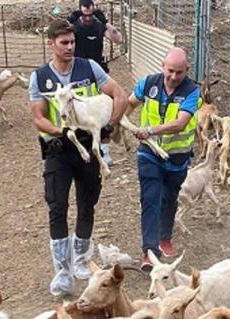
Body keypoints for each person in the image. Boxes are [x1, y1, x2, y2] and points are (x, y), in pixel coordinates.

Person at [29, 20, 127, 297]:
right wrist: (63, 130)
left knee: (87, 202)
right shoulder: (39, 78)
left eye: (72, 42)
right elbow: (37, 117)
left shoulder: (90, 68)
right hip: (59, 150)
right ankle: (62, 270)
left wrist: (111, 125)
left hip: (87, 149)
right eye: (64, 43)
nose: (71, 47)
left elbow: (118, 95)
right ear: (51, 44)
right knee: (57, 205)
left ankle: (82, 259)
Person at [129, 47, 200, 271]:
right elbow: (129, 103)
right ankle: (149, 252)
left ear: (187, 70)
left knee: (169, 198)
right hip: (149, 153)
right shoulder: (148, 84)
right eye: (170, 71)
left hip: (177, 158)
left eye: (179, 72)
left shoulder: (191, 92)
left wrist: (150, 130)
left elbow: (180, 123)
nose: (173, 77)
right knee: (150, 198)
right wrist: (117, 122)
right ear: (162, 66)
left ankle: (165, 237)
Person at [68, 0, 123, 165]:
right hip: (79, 75)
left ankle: (104, 150)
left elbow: (118, 39)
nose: (87, 18)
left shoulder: (99, 26)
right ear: (79, 12)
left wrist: (106, 23)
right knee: (80, 112)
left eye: (90, 15)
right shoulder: (75, 28)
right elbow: (61, 36)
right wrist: (69, 22)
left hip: (99, 74)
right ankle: (81, 146)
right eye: (84, 15)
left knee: (103, 112)